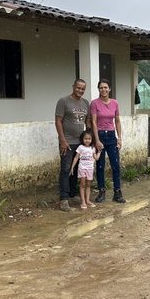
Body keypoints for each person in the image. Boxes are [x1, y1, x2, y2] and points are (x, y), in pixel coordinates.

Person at [55, 79, 89, 211]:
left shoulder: (86, 103)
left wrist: (89, 141)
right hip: (67, 142)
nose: (80, 90)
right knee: (65, 169)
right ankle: (63, 199)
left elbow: (88, 122)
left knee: (76, 170)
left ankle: (73, 194)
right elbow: (58, 121)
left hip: (80, 143)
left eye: (82, 89)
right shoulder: (63, 101)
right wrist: (62, 140)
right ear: (73, 87)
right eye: (78, 88)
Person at [90, 79, 126, 203]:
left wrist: (119, 138)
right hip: (99, 135)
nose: (103, 90)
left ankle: (117, 192)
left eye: (105, 87)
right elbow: (93, 122)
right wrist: (97, 140)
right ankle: (101, 191)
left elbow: (117, 121)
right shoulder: (94, 103)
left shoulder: (115, 103)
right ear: (98, 89)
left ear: (109, 89)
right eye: (101, 88)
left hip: (111, 136)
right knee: (100, 165)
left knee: (115, 165)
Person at [69, 131, 100, 210]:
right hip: (82, 168)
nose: (87, 140)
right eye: (85, 138)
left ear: (91, 139)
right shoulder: (80, 147)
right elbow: (76, 157)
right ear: (82, 139)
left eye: (89, 139)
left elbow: (96, 158)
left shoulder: (92, 148)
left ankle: (88, 200)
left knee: (88, 184)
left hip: (90, 168)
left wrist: (99, 151)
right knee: (82, 184)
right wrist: (72, 167)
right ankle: (83, 201)